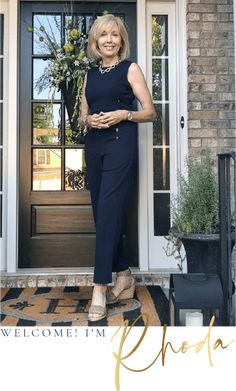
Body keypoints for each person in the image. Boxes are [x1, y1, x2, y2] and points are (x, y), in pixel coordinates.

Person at [79, 14, 156, 321]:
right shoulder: (89, 74)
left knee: (110, 210)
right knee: (102, 213)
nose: (109, 39)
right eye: (103, 35)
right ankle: (123, 275)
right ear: (96, 42)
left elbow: (150, 112)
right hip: (94, 146)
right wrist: (88, 120)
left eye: (115, 35)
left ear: (121, 41)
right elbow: (82, 114)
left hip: (120, 143)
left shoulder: (130, 68)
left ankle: (100, 287)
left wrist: (125, 114)